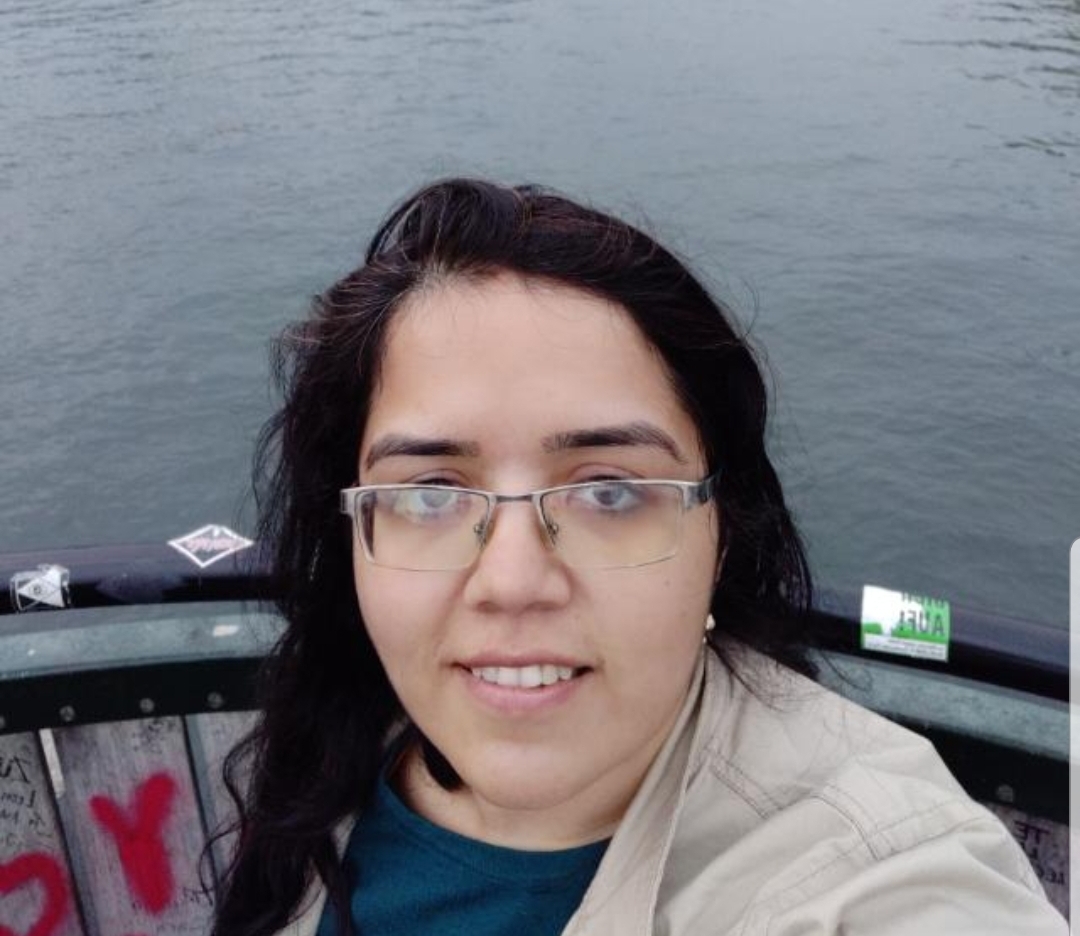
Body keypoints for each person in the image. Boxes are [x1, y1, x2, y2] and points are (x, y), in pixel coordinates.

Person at [211, 178, 1065, 936]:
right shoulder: (336, 743)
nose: (512, 582)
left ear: (724, 533)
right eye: (430, 494)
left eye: (610, 492)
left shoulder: (870, 871)